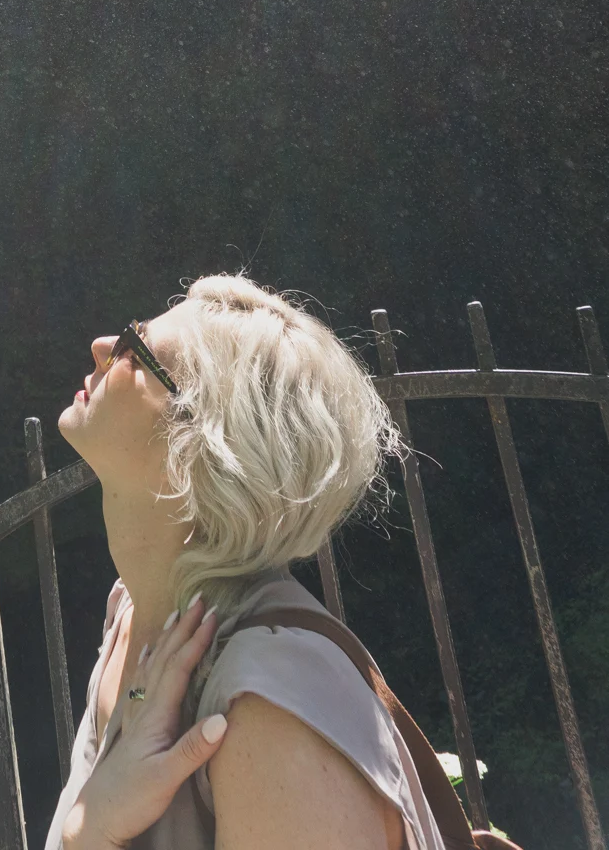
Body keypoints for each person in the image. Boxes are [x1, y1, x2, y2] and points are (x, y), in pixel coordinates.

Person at [45, 274, 447, 850]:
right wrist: (96, 825)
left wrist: (92, 832)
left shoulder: (269, 712)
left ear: (202, 444)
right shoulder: (135, 612)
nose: (104, 345)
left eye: (138, 350)